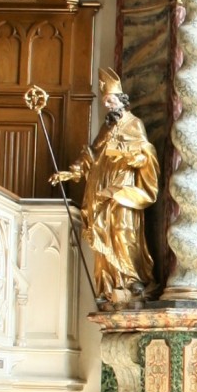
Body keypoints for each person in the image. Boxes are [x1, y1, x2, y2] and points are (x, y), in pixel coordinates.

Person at [49, 68, 158, 305]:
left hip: (122, 189)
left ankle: (131, 278)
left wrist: (124, 154)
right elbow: (91, 155)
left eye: (111, 100)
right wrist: (72, 171)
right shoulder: (106, 128)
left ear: (122, 100)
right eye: (105, 101)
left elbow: (145, 155)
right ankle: (109, 284)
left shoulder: (134, 124)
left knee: (123, 230)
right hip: (99, 189)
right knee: (104, 235)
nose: (108, 105)